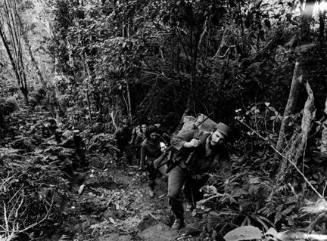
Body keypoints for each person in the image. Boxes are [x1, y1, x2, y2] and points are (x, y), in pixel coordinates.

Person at [167, 122, 232, 230]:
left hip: (197, 174)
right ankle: (178, 218)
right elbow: (173, 140)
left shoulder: (221, 150)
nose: (217, 140)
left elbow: (226, 167)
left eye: (221, 139)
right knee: (173, 194)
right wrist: (188, 144)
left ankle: (192, 208)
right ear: (212, 131)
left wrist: (227, 181)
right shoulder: (196, 134)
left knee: (194, 195)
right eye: (216, 136)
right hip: (180, 167)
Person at [140, 125, 163, 197]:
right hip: (151, 161)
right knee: (152, 176)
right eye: (152, 135)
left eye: (155, 135)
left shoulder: (159, 138)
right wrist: (142, 168)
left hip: (161, 158)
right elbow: (142, 158)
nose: (154, 137)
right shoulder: (144, 144)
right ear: (148, 135)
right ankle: (151, 188)